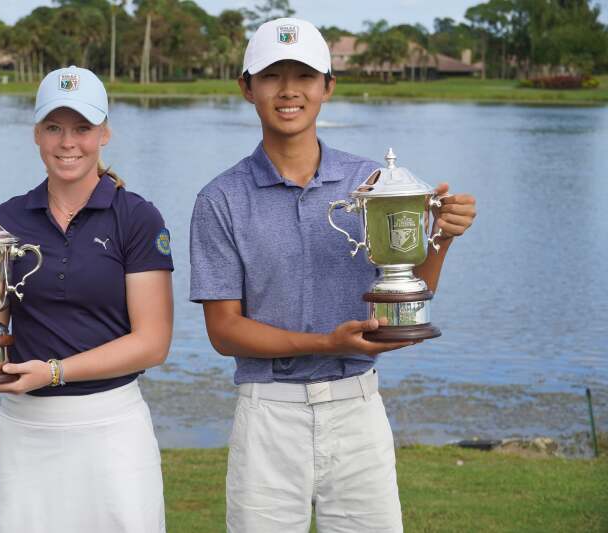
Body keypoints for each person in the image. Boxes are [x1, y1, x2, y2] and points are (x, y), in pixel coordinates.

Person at [189, 18, 476, 533]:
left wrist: (441, 236)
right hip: (267, 415)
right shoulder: (220, 199)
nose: (289, 90)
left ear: (327, 86)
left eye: (304, 74)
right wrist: (326, 342)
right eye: (273, 75)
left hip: (357, 409)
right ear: (247, 87)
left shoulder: (373, 182)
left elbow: (405, 300)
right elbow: (223, 331)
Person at [0, 66, 173, 533]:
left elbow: (153, 343)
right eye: (54, 127)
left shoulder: (138, 219)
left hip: (113, 429)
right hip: (24, 431)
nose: (68, 142)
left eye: (82, 128)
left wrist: (54, 371)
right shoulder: (6, 220)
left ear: (105, 133)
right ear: (36, 134)